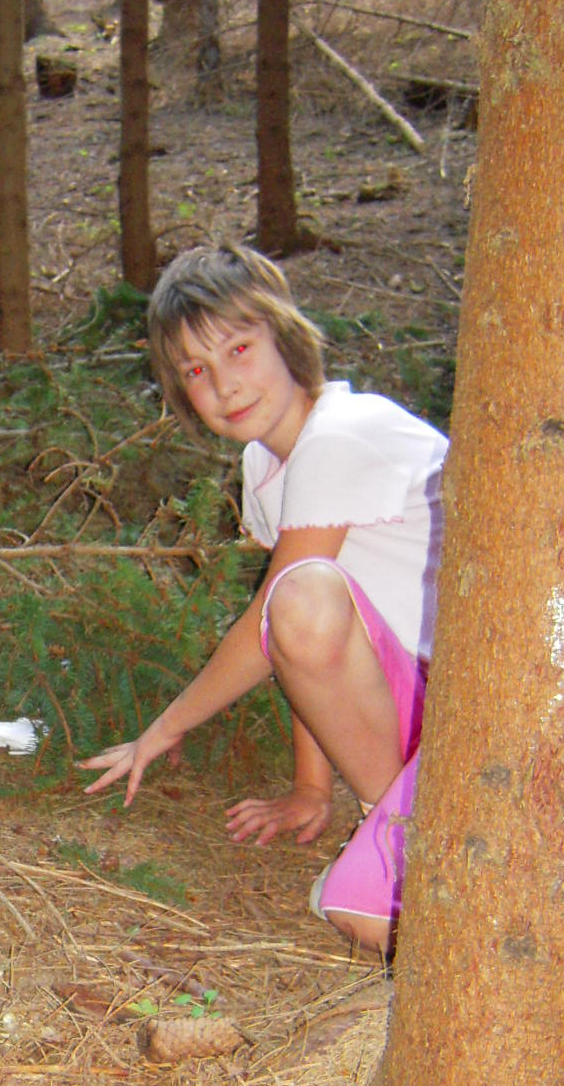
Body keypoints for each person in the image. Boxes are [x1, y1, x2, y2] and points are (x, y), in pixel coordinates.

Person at [81, 243, 446, 951]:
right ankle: (403, 828)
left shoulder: (344, 433)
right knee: (300, 599)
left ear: (284, 335)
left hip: (475, 712)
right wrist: (312, 788)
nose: (225, 385)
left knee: (367, 917)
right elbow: (302, 644)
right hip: (410, 695)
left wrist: (168, 725)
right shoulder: (265, 464)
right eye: (197, 370)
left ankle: (406, 831)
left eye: (239, 349)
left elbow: (279, 620)